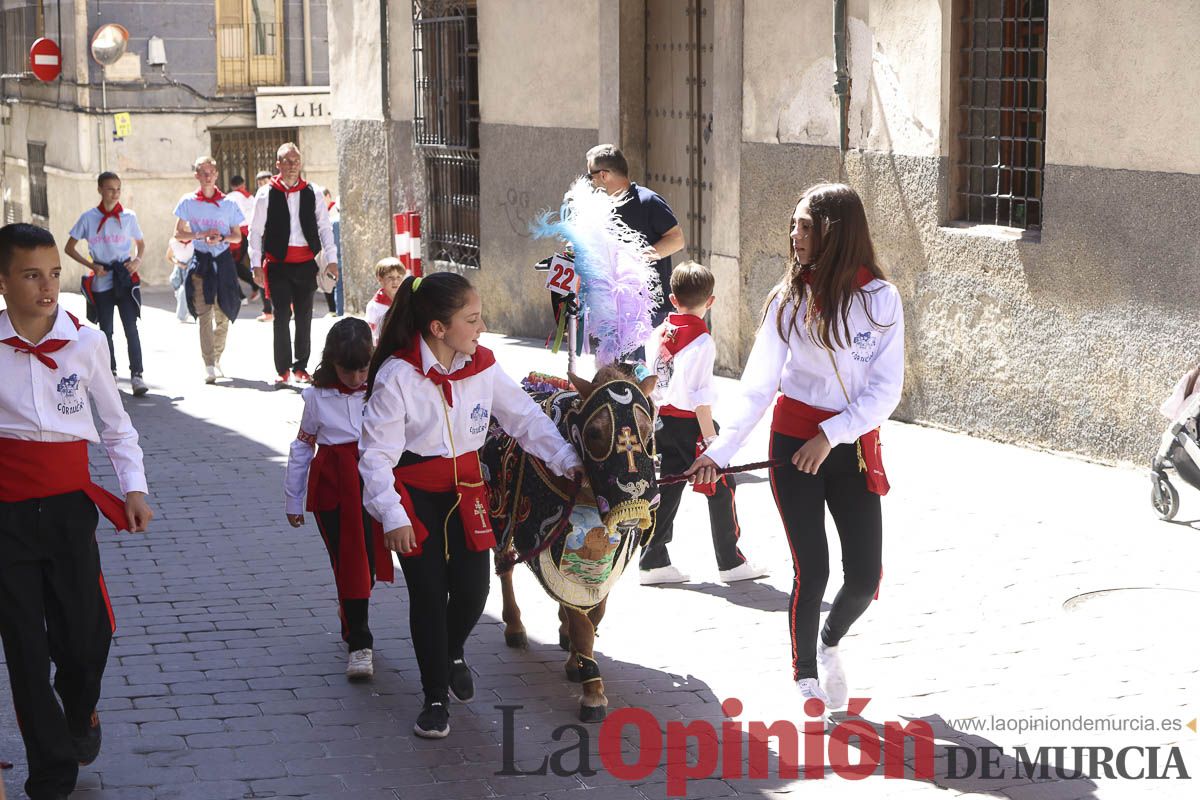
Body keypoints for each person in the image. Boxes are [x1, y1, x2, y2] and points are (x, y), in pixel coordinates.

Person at [686, 183, 904, 714]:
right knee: (814, 568)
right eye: (795, 224)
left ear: (836, 231)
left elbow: (885, 390)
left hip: (847, 447)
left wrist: (832, 435)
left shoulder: (881, 299)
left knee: (864, 577)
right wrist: (717, 452)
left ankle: (830, 641)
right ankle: (805, 674)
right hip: (793, 446)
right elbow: (757, 388)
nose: (794, 235)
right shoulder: (788, 300)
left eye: (806, 226)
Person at [359, 272, 582, 739]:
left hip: (467, 492)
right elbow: (376, 457)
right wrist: (393, 516)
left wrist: (565, 460)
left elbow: (523, 416)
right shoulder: (398, 376)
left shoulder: (481, 366)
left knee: (473, 592)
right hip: (414, 496)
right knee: (427, 595)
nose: (482, 327)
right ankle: (434, 698)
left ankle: (452, 651)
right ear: (439, 328)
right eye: (473, 319)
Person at [0, 223, 153, 800]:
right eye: (31, 275)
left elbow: (115, 426)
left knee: (86, 640)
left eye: (54, 274)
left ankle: (81, 707)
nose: (47, 287)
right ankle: (51, 772)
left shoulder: (85, 342)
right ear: (3, 282)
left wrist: (133, 489)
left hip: (69, 510)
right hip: (5, 514)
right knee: (23, 646)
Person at [639, 261, 769, 586]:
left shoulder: (657, 333)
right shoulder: (702, 342)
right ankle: (730, 561)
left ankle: (653, 558)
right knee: (722, 486)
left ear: (672, 299)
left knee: (667, 489)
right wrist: (713, 443)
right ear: (710, 301)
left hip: (660, 422)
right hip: (690, 426)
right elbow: (700, 398)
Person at [285, 318, 392, 680]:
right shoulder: (316, 398)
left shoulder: (381, 388)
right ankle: (359, 642)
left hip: (374, 482)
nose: (357, 377)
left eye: (364, 368)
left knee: (370, 563)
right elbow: (303, 445)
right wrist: (292, 499)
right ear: (332, 363)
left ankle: (352, 613)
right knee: (348, 562)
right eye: (349, 370)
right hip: (334, 488)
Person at [248, 143, 338, 387]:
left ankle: (301, 367)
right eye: (286, 162)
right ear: (277, 164)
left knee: (304, 315)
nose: (291, 166)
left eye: (295, 161)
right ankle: (283, 369)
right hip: (277, 265)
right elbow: (255, 231)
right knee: (281, 316)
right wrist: (255, 264)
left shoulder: (313, 192)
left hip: (306, 264)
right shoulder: (266, 193)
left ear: (300, 164)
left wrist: (332, 259)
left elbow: (324, 227)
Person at [64, 171, 148, 396]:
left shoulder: (129, 217)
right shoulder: (88, 218)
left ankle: (137, 375)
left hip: (124, 277)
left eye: (118, 189)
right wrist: (91, 266)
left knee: (131, 327)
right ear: (100, 189)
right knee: (106, 330)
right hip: (102, 279)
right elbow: (69, 247)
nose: (115, 193)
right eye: (111, 189)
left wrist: (137, 260)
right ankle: (110, 373)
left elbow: (140, 243)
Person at [585, 144, 685, 328]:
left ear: (603, 175)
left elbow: (677, 239)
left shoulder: (648, 201)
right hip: (613, 307)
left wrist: (639, 258)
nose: (590, 182)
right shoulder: (601, 207)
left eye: (590, 175)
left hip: (650, 308)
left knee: (643, 358)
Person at [173, 155, 244, 384]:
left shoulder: (229, 204)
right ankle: (209, 364)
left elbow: (237, 237)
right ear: (196, 175)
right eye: (202, 172)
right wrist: (201, 235)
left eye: (211, 172)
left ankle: (217, 355)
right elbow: (178, 233)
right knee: (204, 314)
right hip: (201, 260)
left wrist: (221, 237)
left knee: (224, 315)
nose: (207, 176)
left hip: (223, 261)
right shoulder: (188, 201)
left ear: (216, 174)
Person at [226, 175, 261, 305]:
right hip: (248, 235)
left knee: (230, 266)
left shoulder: (231, 197)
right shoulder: (251, 197)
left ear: (232, 185)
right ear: (243, 184)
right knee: (236, 265)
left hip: (235, 235)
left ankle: (240, 296)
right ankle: (254, 285)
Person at [250, 171, 275, 322]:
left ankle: (290, 304)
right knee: (261, 276)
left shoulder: (279, 196)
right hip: (262, 243)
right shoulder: (258, 199)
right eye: (259, 183)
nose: (261, 186)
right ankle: (267, 311)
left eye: (264, 182)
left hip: (277, 243)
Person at [365, 256, 406, 345]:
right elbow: (369, 334)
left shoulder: (405, 300)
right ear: (380, 279)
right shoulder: (374, 306)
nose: (395, 281)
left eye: (399, 277)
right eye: (390, 277)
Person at [165, 233, 194, 324]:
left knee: (183, 291)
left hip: (191, 268)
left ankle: (182, 315)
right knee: (178, 289)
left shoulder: (195, 242)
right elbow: (169, 257)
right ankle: (185, 309)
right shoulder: (173, 242)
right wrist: (178, 263)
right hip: (179, 269)